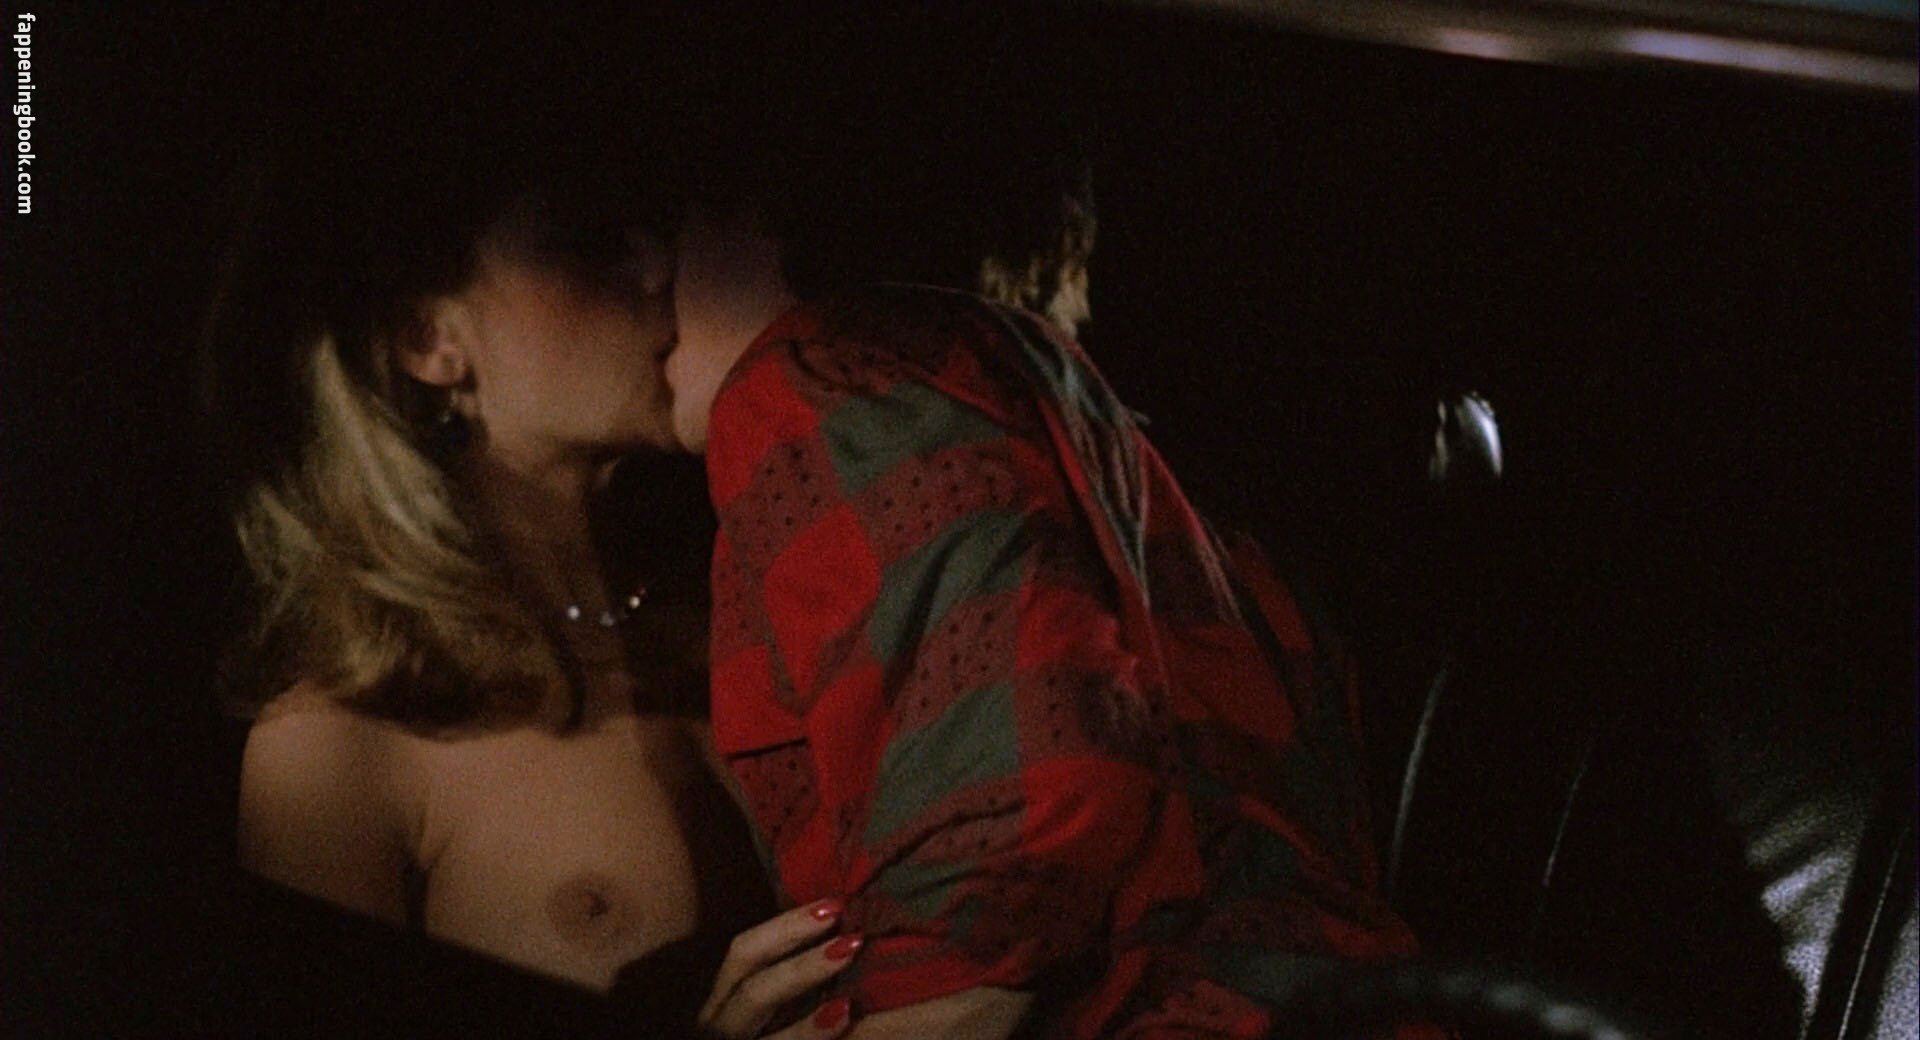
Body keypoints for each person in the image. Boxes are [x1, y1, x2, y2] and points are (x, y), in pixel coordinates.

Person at [661, 173, 1432, 1037]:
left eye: (658, 222)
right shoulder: (1086, 421)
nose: (646, 278)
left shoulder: (815, 374)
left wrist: (905, 1006)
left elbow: (1025, 805)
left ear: (756, 208)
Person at [212, 62, 869, 1040]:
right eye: (588, 241)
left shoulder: (760, 619)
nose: (660, 268)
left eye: (653, 228)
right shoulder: (338, 751)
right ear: (428, 337)